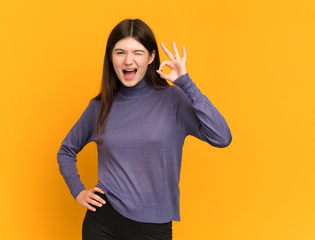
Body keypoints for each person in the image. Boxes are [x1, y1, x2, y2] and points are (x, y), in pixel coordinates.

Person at [57, 18, 232, 240]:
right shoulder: (99, 107)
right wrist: (78, 191)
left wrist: (186, 83)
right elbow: (66, 151)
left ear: (150, 57)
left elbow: (222, 136)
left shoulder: (173, 100)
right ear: (111, 58)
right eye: (120, 52)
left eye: (137, 52)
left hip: (153, 226)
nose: (128, 60)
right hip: (103, 222)